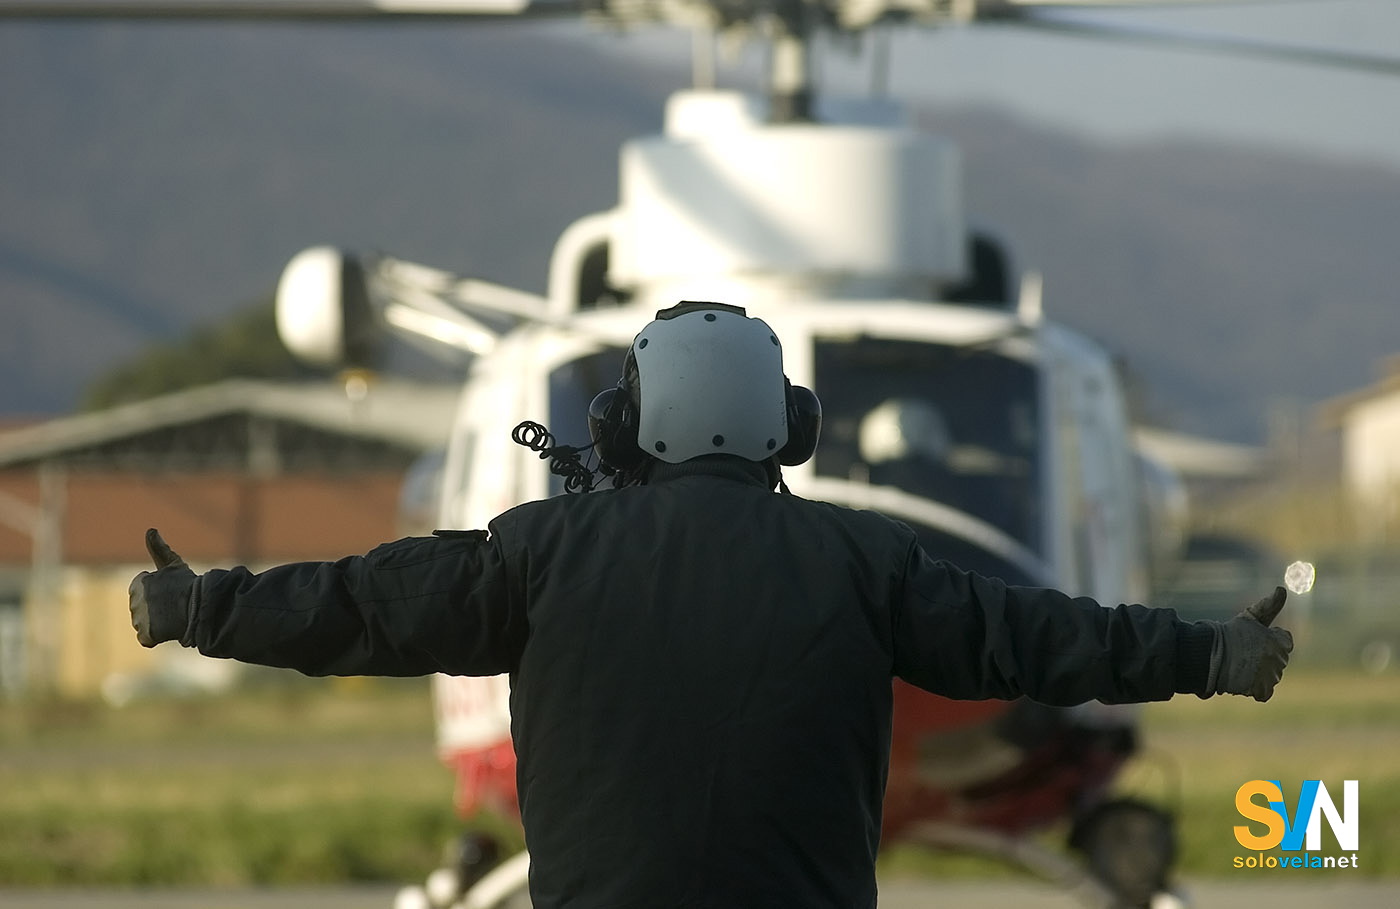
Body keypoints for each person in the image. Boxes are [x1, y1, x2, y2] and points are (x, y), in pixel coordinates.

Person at [128, 301, 1293, 909]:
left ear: (628, 428)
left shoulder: (538, 554)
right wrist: (1217, 653)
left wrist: (200, 608)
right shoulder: (860, 560)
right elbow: (1045, 639)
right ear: (788, 429)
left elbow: (357, 608)